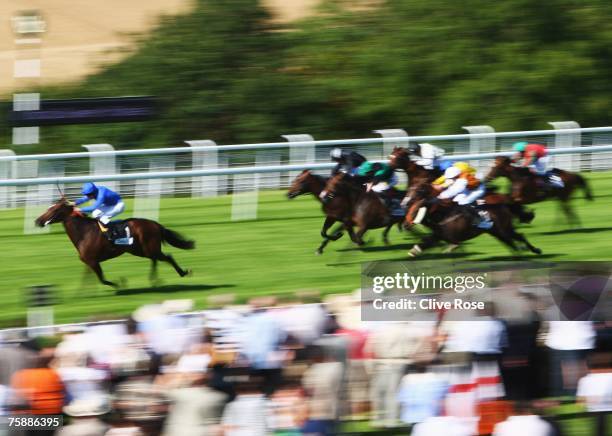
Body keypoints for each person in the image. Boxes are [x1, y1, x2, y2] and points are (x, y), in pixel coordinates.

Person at [432, 162, 492, 229]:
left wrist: (440, 196)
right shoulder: (457, 175)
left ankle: (483, 221)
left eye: (451, 177)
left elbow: (454, 191)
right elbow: (451, 188)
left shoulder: (462, 180)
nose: (450, 179)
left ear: (456, 175)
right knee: (456, 200)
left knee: (463, 202)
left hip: (478, 190)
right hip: (469, 188)